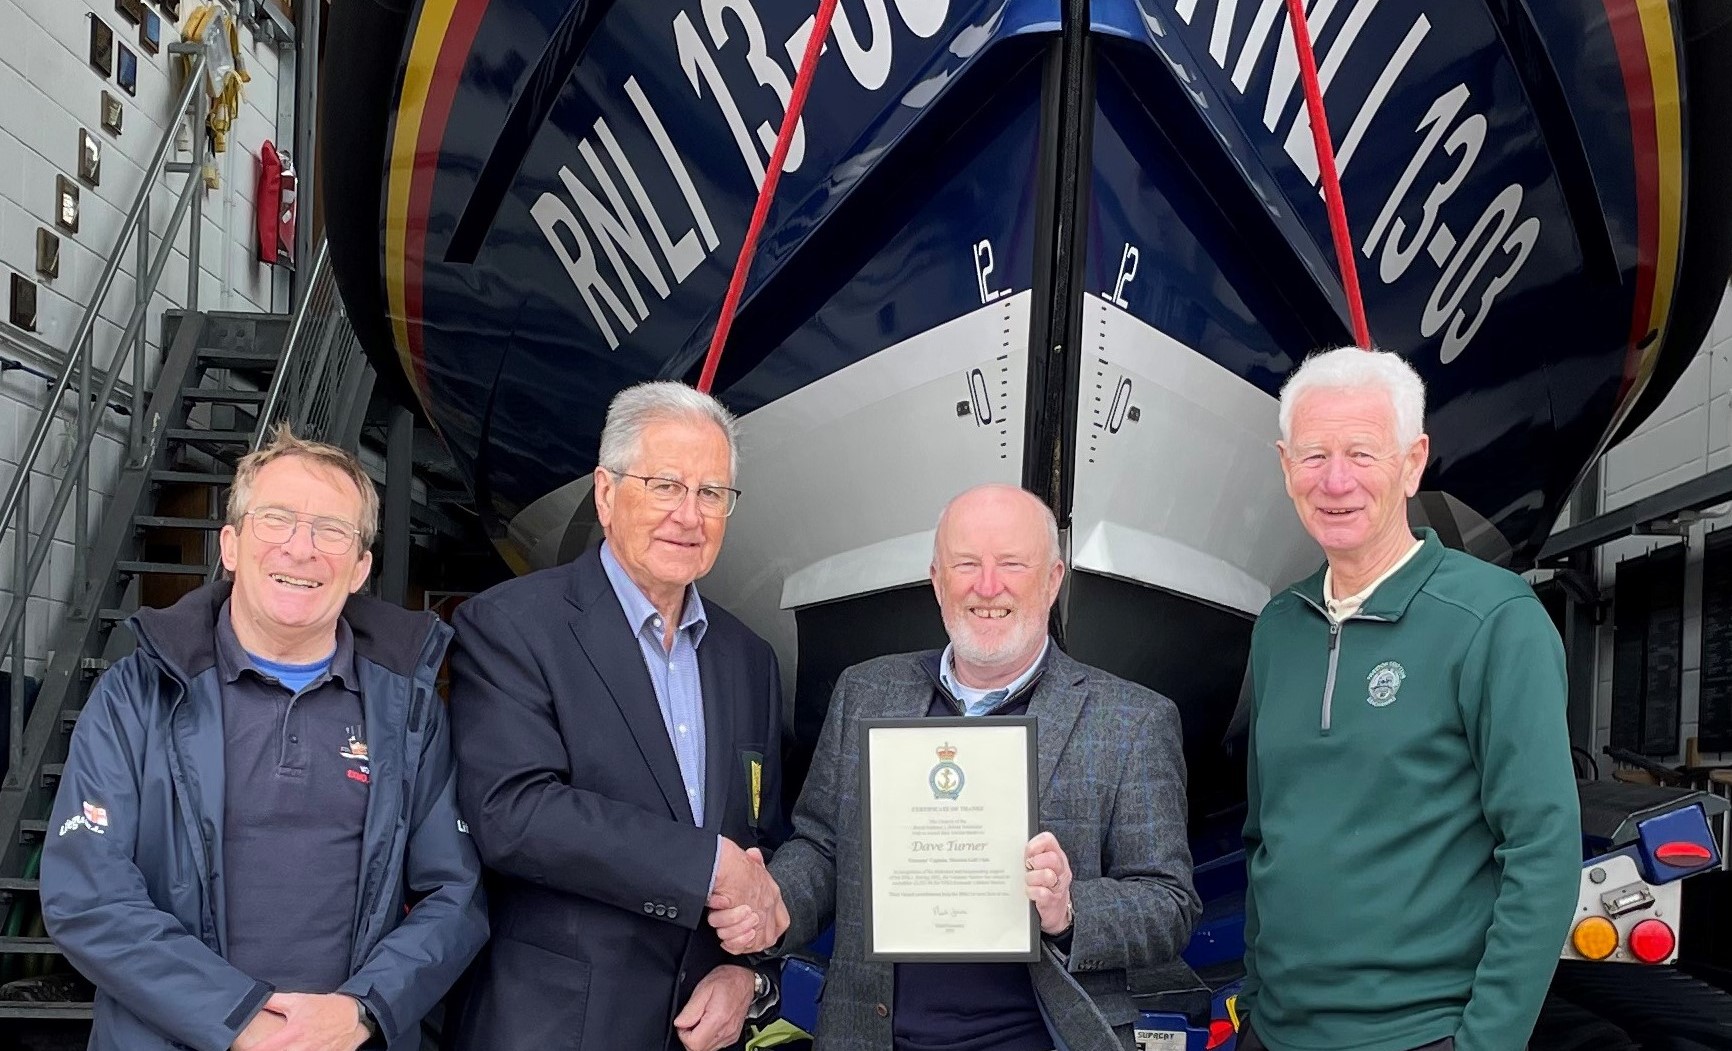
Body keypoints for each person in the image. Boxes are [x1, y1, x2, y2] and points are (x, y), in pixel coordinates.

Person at [41, 425, 488, 1051]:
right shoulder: (138, 692)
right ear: (230, 544)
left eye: (332, 530)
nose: (301, 550)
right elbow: (88, 894)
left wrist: (363, 1010)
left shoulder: (408, 708)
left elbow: (454, 894)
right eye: (276, 520)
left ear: (361, 567)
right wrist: (238, 1019)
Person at [722, 484, 1199, 1051]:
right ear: (936, 580)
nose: (988, 586)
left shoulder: (1131, 720)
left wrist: (1069, 908)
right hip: (870, 1037)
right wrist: (776, 904)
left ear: (1052, 580)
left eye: (1013, 565)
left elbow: (1171, 905)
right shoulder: (865, 693)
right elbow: (823, 847)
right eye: (966, 564)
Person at [1239, 347, 1581, 1051]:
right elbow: (1265, 834)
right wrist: (1253, 996)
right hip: (1274, 1033)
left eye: (1362, 453)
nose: (1335, 480)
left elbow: (1543, 850)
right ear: (1284, 466)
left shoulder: (1495, 618)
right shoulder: (1277, 627)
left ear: (1412, 461)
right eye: (1313, 456)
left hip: (1416, 1033)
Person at [446, 382, 786, 1051]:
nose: (689, 515)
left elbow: (758, 846)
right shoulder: (513, 626)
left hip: (699, 1033)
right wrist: (704, 865)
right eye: (664, 485)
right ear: (606, 493)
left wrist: (746, 973)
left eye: (711, 493)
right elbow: (513, 812)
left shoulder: (750, 659)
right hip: (553, 1030)